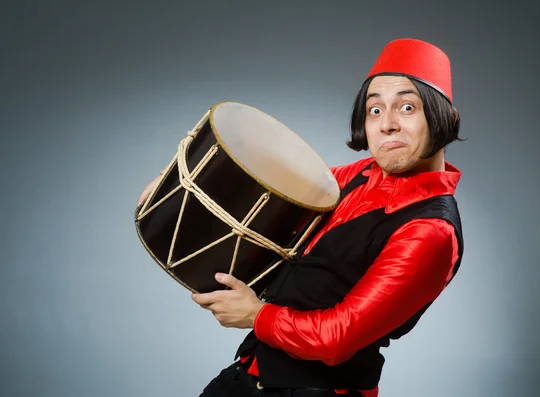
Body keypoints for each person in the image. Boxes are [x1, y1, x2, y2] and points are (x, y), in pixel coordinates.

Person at [138, 38, 465, 397]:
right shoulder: (359, 175)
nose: (386, 124)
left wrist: (255, 316)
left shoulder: (431, 231)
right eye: (374, 110)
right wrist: (178, 182)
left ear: (445, 119)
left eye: (406, 107)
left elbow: (338, 337)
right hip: (254, 374)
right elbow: (283, 192)